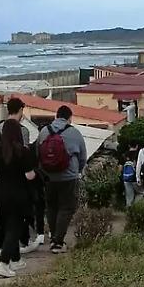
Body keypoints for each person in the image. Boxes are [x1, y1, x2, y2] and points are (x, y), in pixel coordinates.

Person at [0, 119, 37, 278]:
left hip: (1, 193)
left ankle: (15, 259)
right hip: (19, 194)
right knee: (15, 228)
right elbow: (29, 176)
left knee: (8, 226)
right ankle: (3, 263)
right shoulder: (23, 151)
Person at [37, 105, 88, 254]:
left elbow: (38, 154)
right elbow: (83, 157)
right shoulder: (74, 133)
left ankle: (54, 237)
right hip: (68, 176)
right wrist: (77, 171)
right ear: (69, 118)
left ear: (56, 116)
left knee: (52, 207)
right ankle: (58, 242)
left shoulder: (44, 131)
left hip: (48, 177)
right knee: (66, 208)